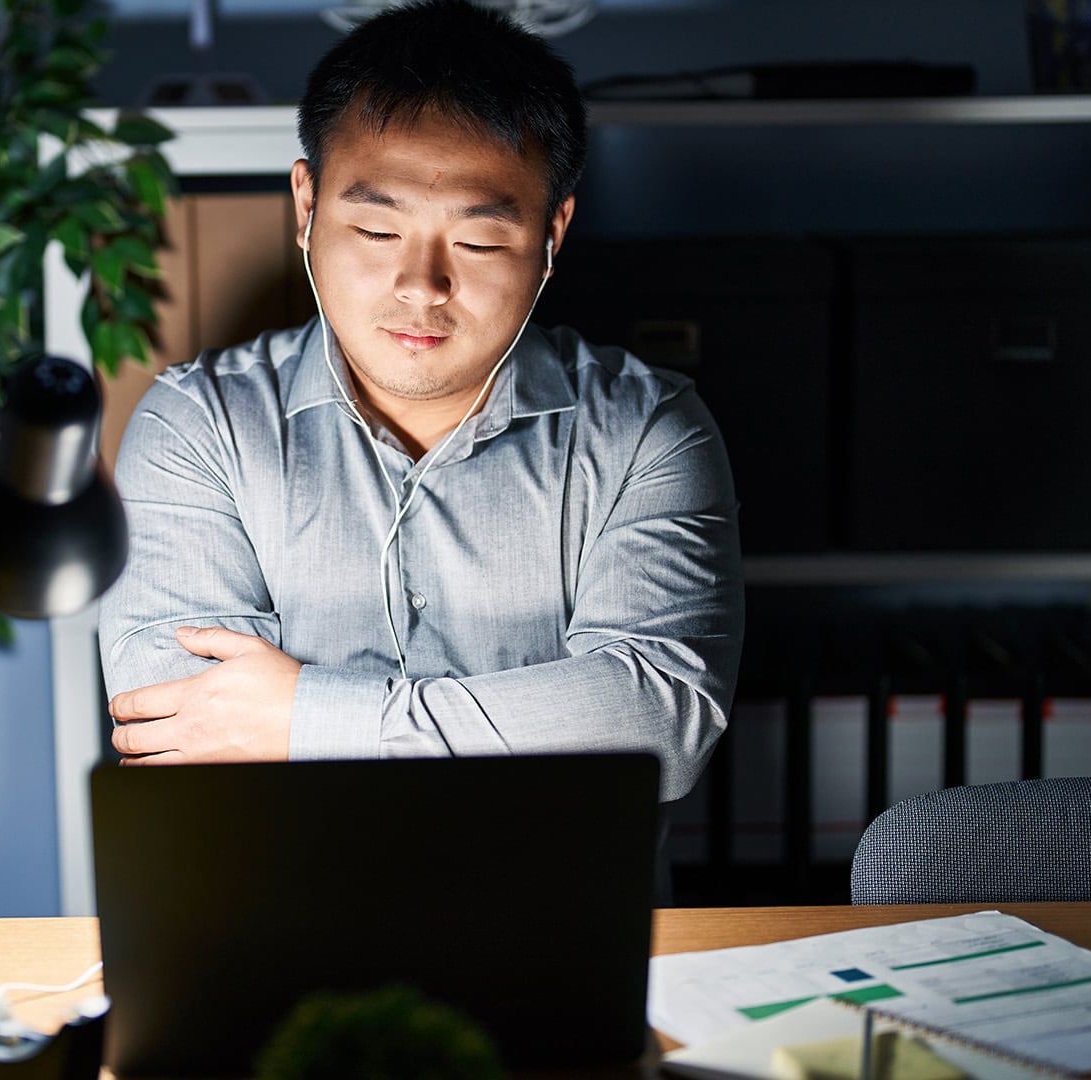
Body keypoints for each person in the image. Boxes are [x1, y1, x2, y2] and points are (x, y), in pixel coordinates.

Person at [97, 0, 742, 801]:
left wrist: (306, 718)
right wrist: (534, 723)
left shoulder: (644, 433)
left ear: (553, 235)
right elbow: (175, 727)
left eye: (477, 241)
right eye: (376, 232)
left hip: (564, 917)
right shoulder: (199, 427)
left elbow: (658, 726)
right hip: (276, 914)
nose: (421, 286)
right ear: (306, 209)